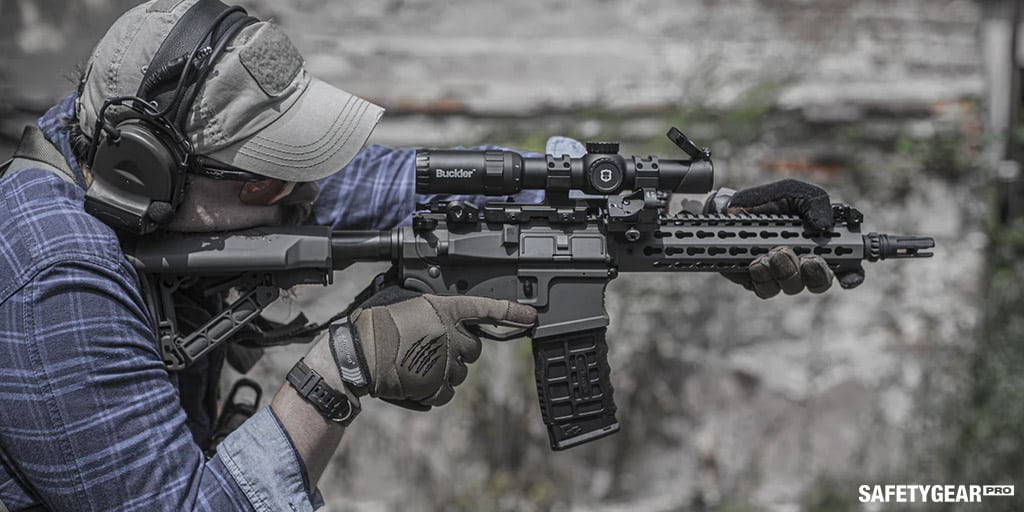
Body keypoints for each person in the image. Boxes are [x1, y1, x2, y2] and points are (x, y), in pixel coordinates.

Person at [0, 1, 863, 510]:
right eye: (276, 180)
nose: (306, 196)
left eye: (303, 165)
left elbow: (418, 186)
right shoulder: (55, 280)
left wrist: (692, 224)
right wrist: (336, 372)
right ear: (139, 169)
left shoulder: (187, 176)